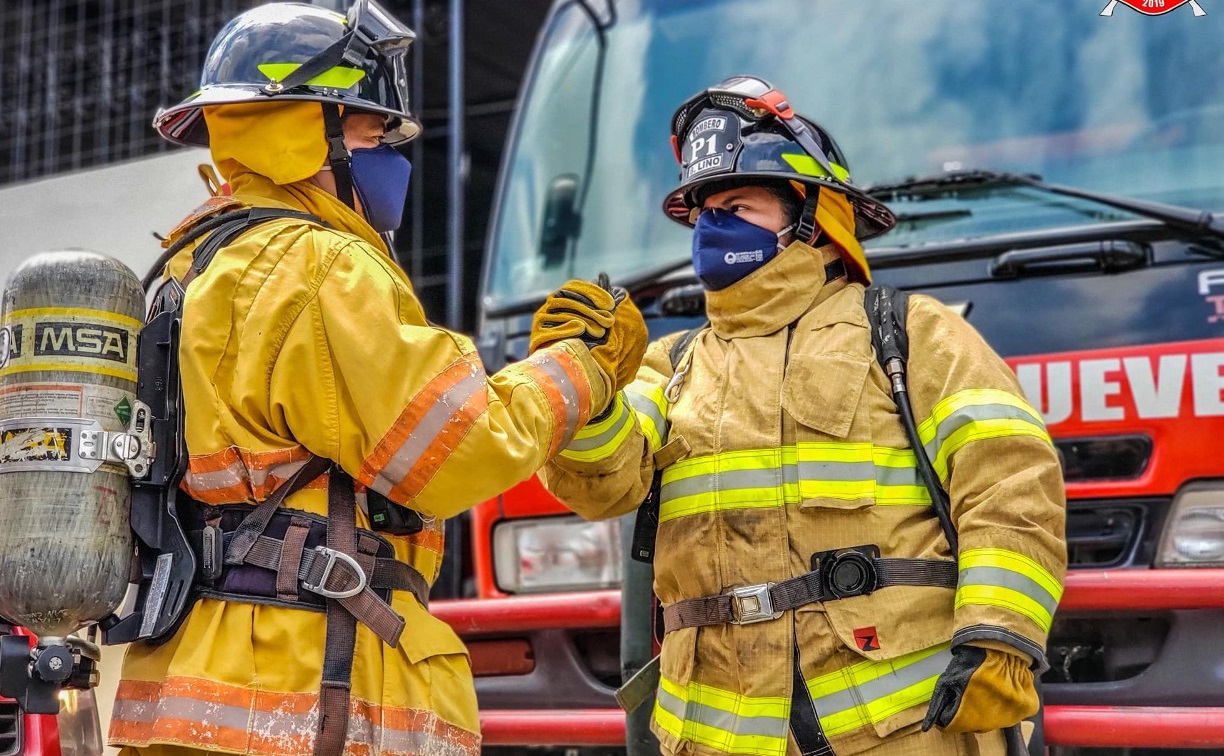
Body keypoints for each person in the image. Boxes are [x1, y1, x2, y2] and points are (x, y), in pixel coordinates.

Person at [107, 2, 647, 754]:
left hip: (190, 686)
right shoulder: (322, 266)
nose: (390, 153)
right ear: (311, 132)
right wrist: (582, 366)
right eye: (371, 132)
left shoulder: (185, 269)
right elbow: (458, 447)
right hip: (304, 693)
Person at [536, 76, 1067, 756]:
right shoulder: (670, 366)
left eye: (737, 205)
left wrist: (1000, 635)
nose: (711, 227)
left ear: (814, 219)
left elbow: (1011, 488)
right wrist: (582, 385)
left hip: (904, 726)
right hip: (719, 737)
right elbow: (600, 484)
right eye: (701, 214)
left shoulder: (910, 334)